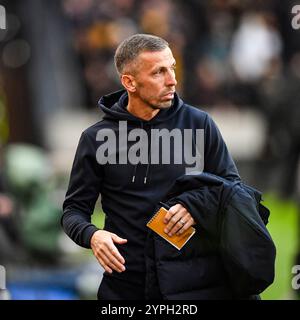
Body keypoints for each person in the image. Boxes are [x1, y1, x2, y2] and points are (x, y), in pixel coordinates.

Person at [62, 34, 275, 300]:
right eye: (159, 72)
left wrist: (195, 207)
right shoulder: (96, 139)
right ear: (130, 82)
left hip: (196, 283)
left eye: (172, 68)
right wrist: (92, 236)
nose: (173, 80)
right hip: (129, 285)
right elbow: (73, 210)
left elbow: (233, 189)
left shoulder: (199, 124)